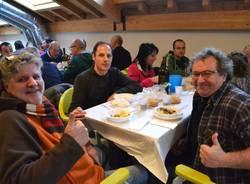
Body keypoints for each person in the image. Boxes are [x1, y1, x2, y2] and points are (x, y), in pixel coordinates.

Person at [0, 52, 148, 184]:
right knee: (142, 171)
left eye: (36, 76)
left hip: (76, 165)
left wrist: (72, 131)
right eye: (22, 79)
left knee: (111, 147)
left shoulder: (41, 105)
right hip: (77, 174)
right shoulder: (9, 119)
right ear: (7, 86)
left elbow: (52, 141)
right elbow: (17, 178)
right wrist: (71, 142)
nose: (33, 83)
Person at [167, 47, 250, 184]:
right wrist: (185, 142)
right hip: (194, 168)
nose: (200, 80)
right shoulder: (199, 96)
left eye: (207, 73)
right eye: (196, 74)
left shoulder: (239, 104)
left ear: (224, 75)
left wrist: (224, 159)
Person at [70, 41, 142, 111]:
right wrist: (77, 112)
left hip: (112, 115)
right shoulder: (82, 79)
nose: (106, 59)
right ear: (93, 57)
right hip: (91, 120)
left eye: (109, 56)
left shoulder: (114, 72)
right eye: (101, 55)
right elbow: (73, 110)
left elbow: (137, 86)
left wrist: (117, 94)